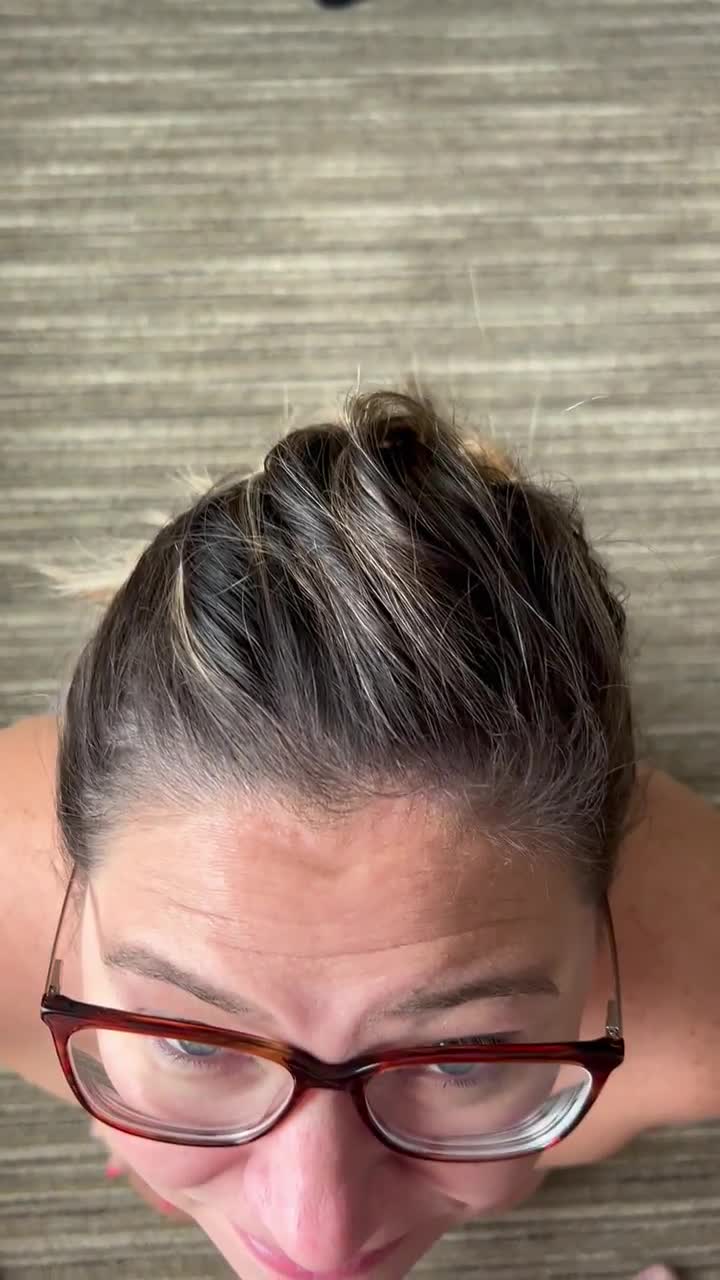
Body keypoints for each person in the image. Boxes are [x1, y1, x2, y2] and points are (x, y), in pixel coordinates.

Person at [1, 387, 717, 1280]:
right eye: (193, 1042)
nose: (318, 1240)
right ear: (71, 890)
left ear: (603, 926)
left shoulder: (698, 1017)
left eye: (461, 1062)